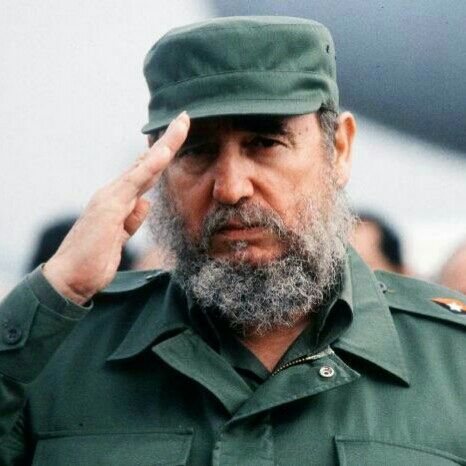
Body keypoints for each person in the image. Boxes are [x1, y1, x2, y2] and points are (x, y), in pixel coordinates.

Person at [1, 16, 465, 465]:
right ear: (157, 165)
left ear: (339, 149)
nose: (230, 187)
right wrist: (57, 290)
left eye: (265, 143)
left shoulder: (452, 361)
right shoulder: (57, 352)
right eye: (196, 151)